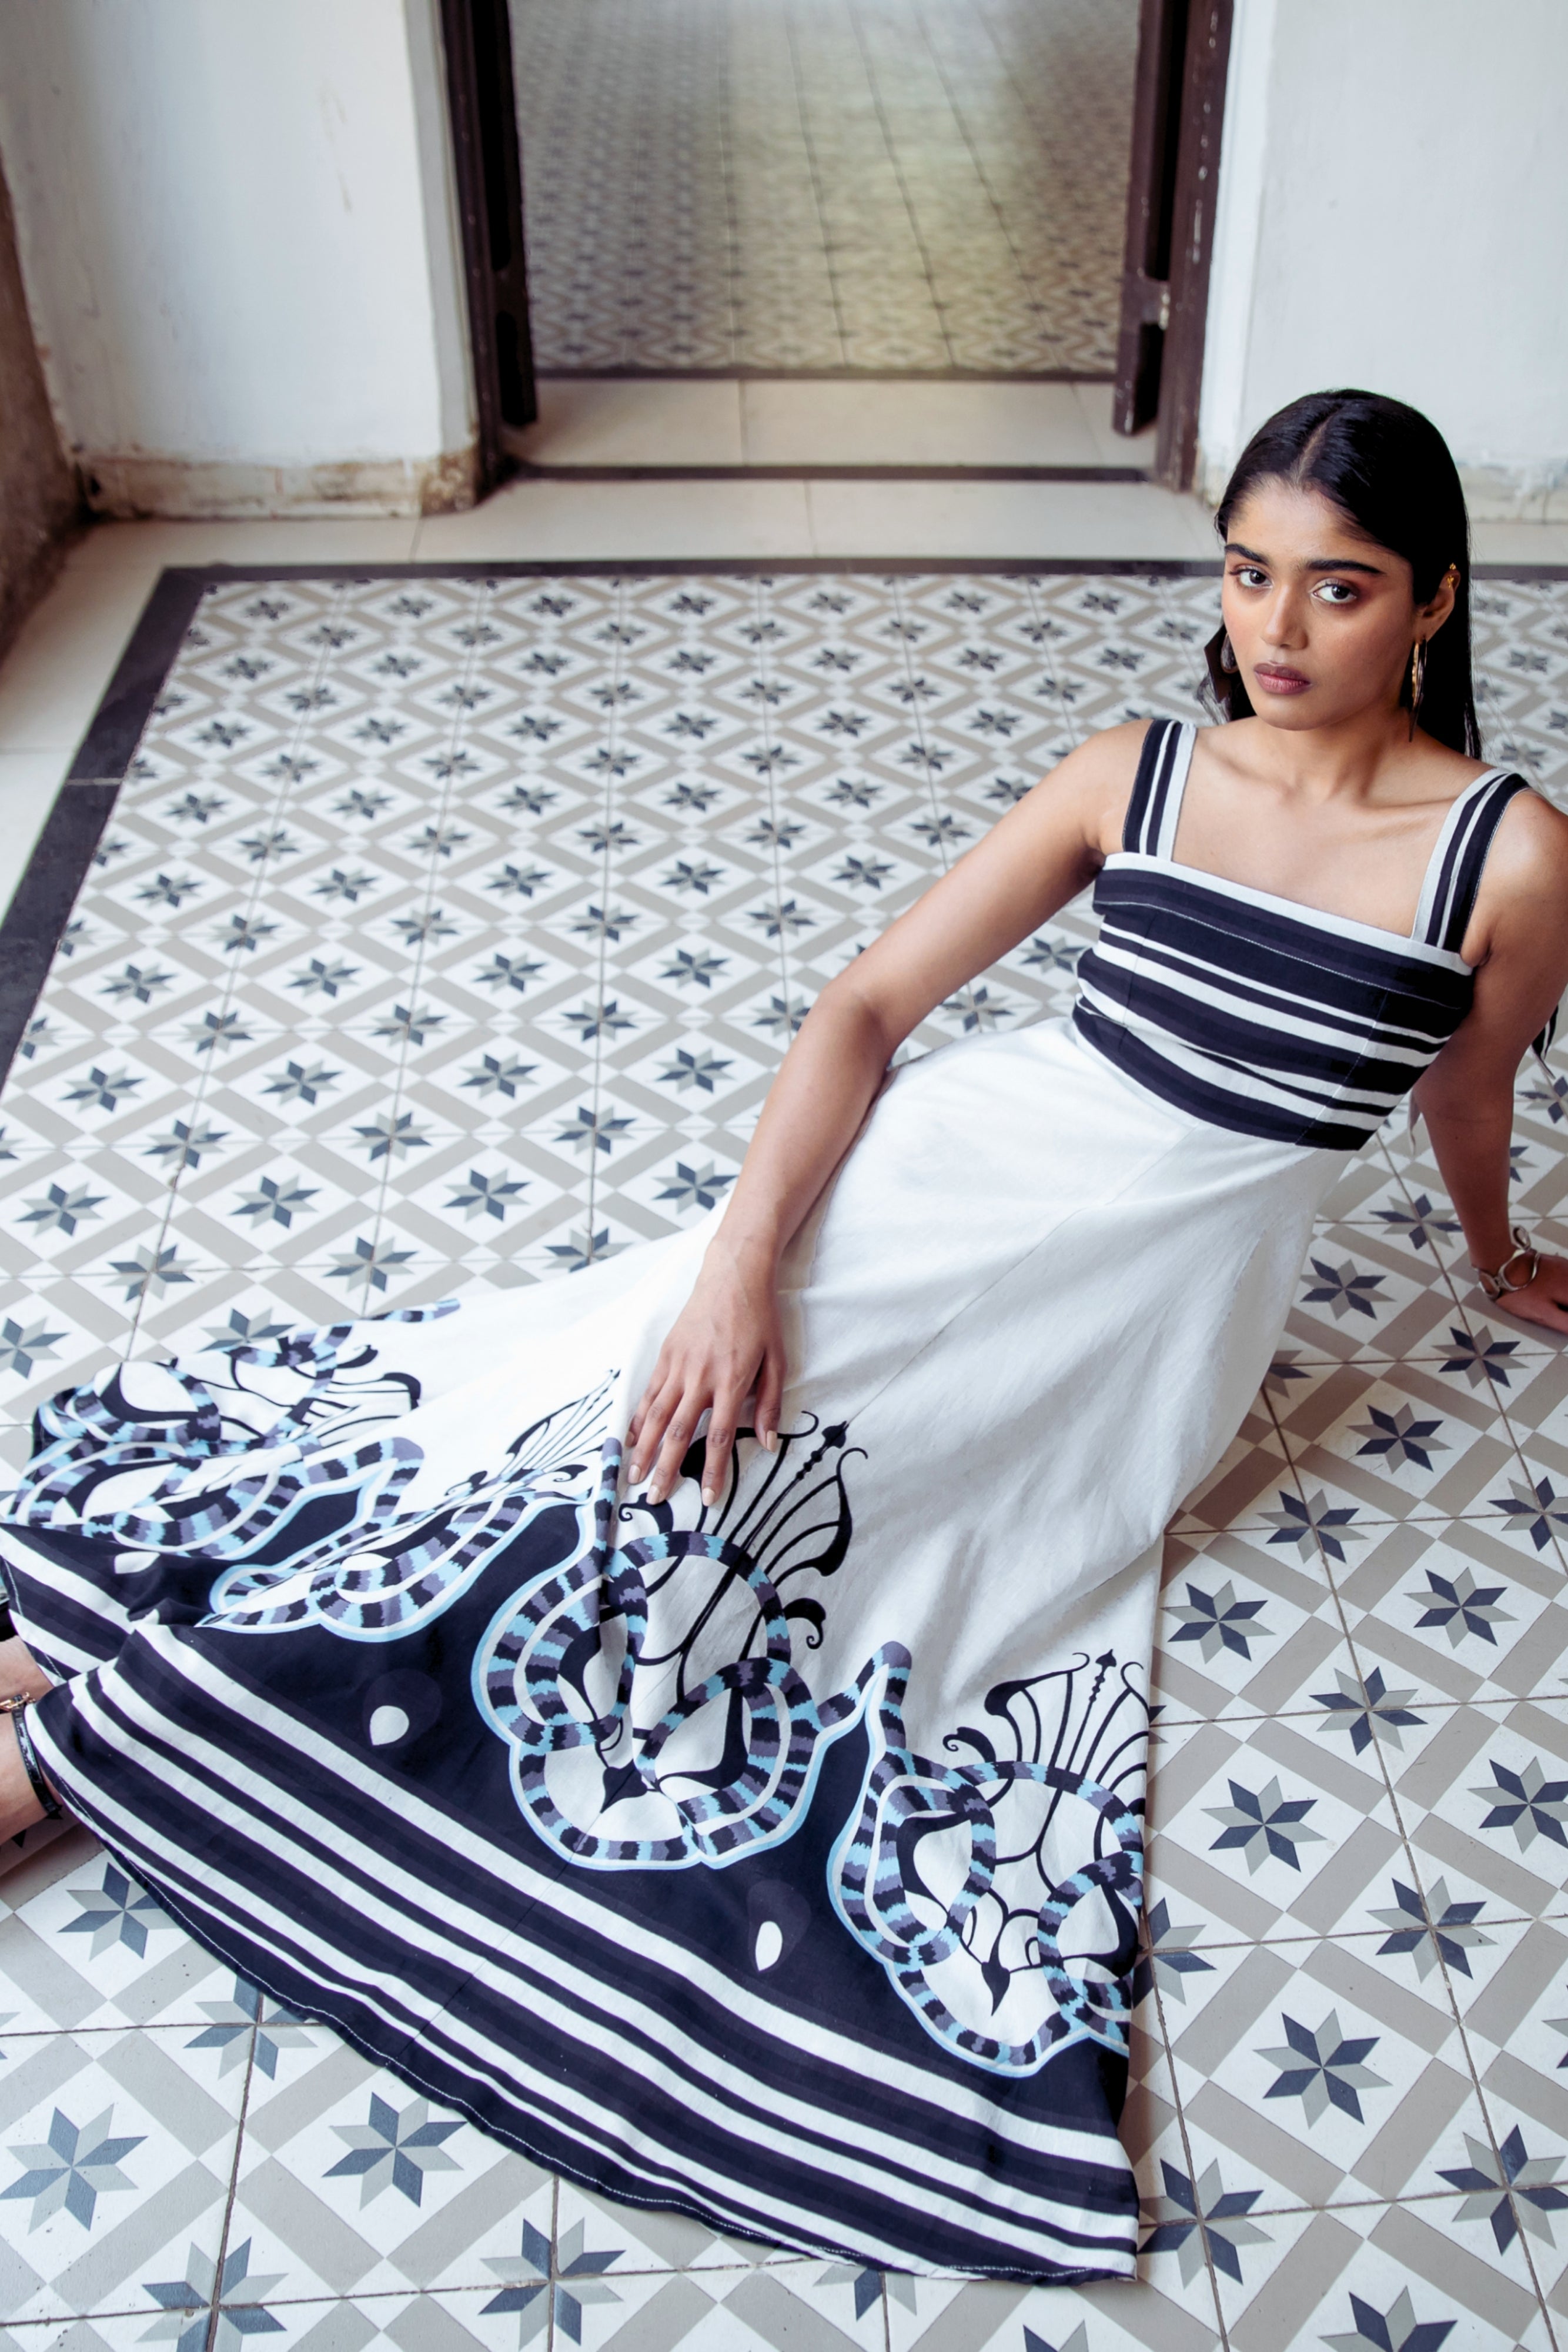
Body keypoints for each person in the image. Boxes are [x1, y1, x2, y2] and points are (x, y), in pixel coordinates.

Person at [1, 389, 1566, 2281]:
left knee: (726, 1555)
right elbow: (864, 1009)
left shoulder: (1503, 859)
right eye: (1247, 573)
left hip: (1114, 1347)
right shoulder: (1137, 773)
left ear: (1435, 597)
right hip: (930, 1191)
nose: (1276, 629)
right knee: (622, 1436)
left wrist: (1493, 1252)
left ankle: (109, 1719)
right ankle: (93, 1723)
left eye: (1338, 586)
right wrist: (739, 1264)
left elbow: (1464, 1084)